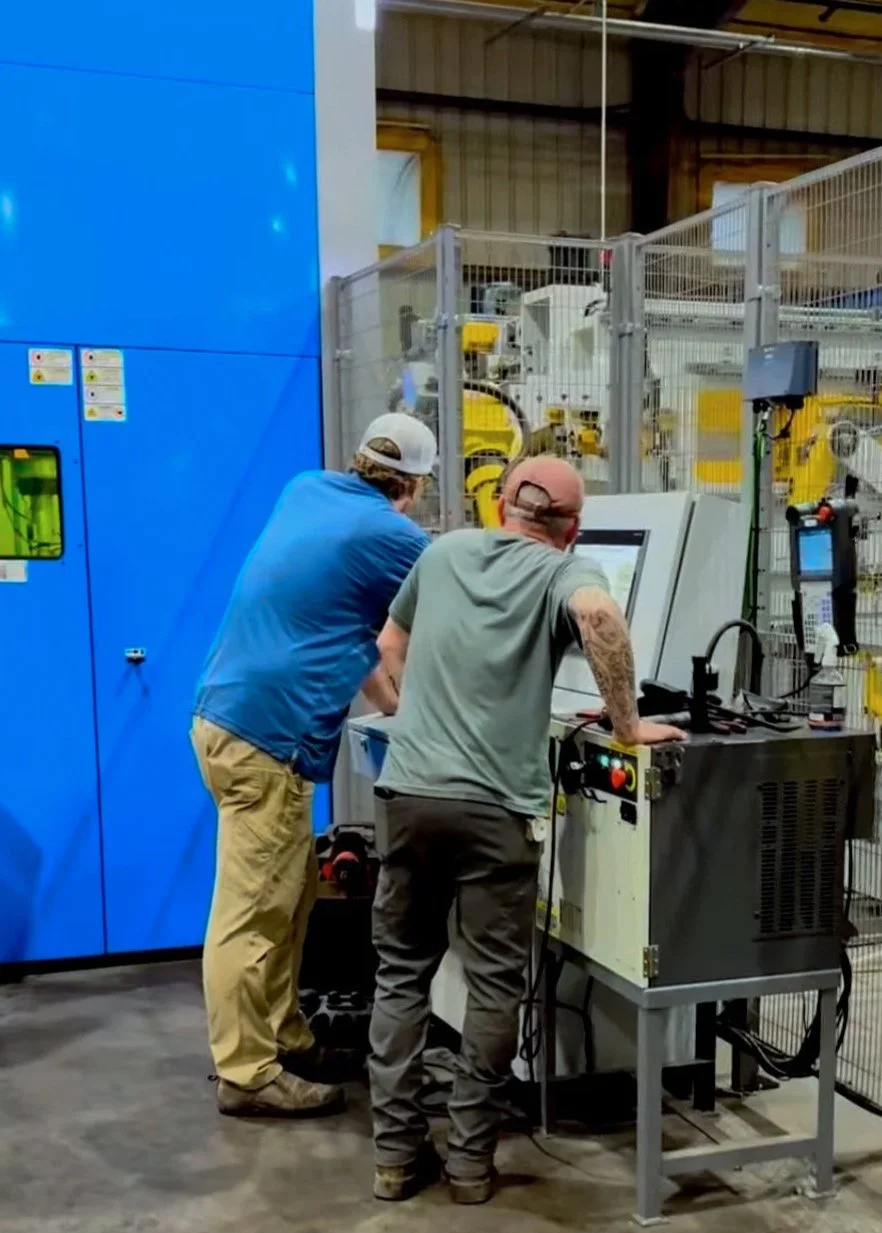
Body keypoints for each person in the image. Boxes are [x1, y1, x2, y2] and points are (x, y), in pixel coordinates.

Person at [367, 455, 685, 1203]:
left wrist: (428, 721)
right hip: (493, 810)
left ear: (503, 503)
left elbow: (387, 647)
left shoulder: (441, 552)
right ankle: (470, 1163)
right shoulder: (561, 574)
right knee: (493, 983)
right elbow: (600, 618)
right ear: (572, 530)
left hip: (408, 793)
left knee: (401, 972)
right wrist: (628, 726)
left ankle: (393, 1156)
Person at [191, 412, 437, 1119]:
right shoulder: (393, 535)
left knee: (293, 892)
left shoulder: (306, 488)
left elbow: (342, 623)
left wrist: (394, 708)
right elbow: (442, 615)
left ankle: (284, 1035)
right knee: (252, 912)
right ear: (415, 485)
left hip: (225, 718)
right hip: (266, 742)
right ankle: (246, 1071)